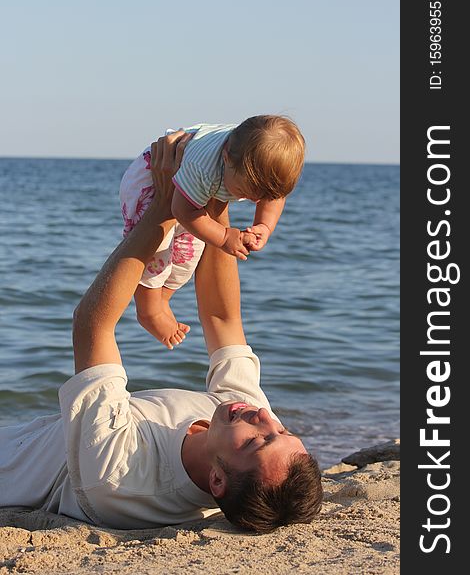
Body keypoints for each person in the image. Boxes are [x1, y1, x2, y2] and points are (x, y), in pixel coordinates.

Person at [0, 131, 322, 534]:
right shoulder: (237, 421)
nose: (264, 417)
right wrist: (215, 192)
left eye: (258, 441)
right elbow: (222, 319)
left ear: (217, 481)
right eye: (282, 430)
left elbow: (91, 324)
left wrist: (166, 206)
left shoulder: (120, 474)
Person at [120, 115, 305, 349]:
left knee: (188, 252)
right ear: (226, 157)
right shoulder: (203, 167)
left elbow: (274, 197)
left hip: (195, 194)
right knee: (157, 251)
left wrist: (264, 226)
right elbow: (181, 209)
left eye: (260, 197)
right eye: (244, 192)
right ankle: (149, 311)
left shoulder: (254, 166)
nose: (254, 200)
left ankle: (162, 298)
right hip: (150, 183)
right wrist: (225, 236)